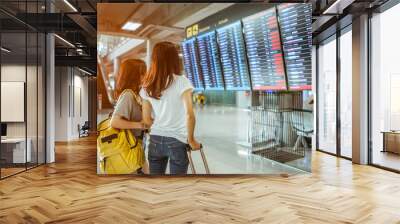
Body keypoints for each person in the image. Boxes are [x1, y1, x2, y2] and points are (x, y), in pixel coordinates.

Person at [140, 41, 201, 175]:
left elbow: (146, 119)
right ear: (174, 59)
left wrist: (159, 129)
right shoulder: (182, 81)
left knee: (156, 184)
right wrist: (191, 140)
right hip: (177, 141)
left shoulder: (147, 85)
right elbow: (189, 115)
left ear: (154, 59)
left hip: (155, 140)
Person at [110, 59, 149, 174]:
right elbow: (115, 122)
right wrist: (140, 125)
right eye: (142, 73)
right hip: (128, 149)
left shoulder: (135, 95)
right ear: (134, 75)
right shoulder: (128, 95)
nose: (145, 76)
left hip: (136, 147)